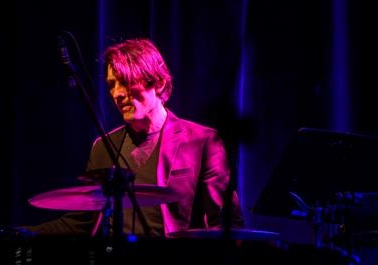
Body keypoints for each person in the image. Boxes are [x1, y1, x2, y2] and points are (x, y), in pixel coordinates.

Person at [28, 37, 243, 237]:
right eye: (111, 85)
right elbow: (82, 222)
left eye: (125, 82)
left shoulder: (202, 141)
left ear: (158, 83)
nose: (117, 93)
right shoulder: (104, 146)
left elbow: (227, 222)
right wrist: (24, 233)